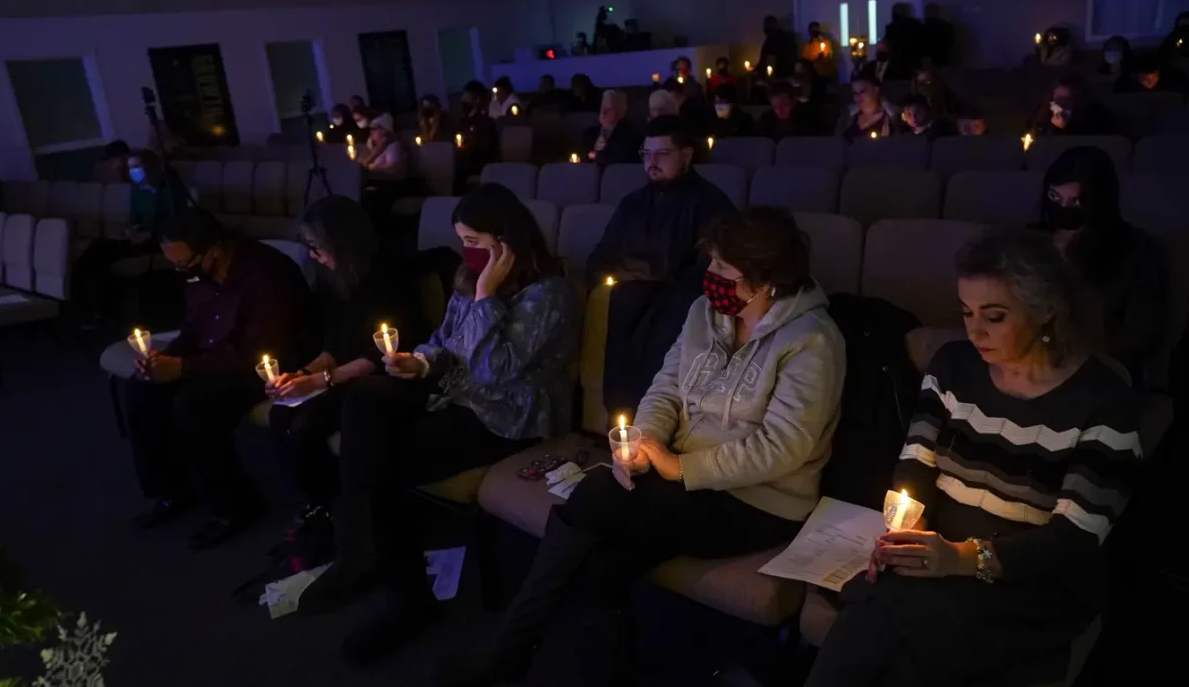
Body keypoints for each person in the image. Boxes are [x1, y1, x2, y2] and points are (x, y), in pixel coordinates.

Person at [445, 207, 847, 685]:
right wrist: (646, 440)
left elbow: (782, 448)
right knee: (601, 565)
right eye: (711, 262)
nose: (709, 276)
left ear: (766, 280)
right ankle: (590, 666)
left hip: (761, 501)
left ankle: (508, 649)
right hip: (682, 480)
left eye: (723, 268)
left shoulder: (813, 341)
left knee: (596, 496)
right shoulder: (705, 312)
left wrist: (678, 467)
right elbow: (666, 389)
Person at [805, 229, 1140, 687]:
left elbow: (1072, 543)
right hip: (942, 556)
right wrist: (905, 527)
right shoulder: (953, 367)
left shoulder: (1104, 404)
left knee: (883, 632)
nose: (974, 330)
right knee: (875, 623)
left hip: (1033, 584)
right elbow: (915, 464)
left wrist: (962, 559)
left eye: (995, 316)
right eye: (966, 312)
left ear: (1046, 310)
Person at [297, 184, 576, 663]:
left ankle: (392, 587)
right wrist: (419, 363)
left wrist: (487, 294)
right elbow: (443, 340)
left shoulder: (549, 292)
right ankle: (370, 562)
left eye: (475, 241)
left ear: (507, 241)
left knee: (382, 461)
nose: (467, 251)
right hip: (457, 399)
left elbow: (496, 370)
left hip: (510, 417)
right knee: (364, 401)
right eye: (462, 240)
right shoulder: (469, 279)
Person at [122, 208, 320, 549]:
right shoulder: (198, 274)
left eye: (185, 263)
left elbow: (259, 353)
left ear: (214, 248)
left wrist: (182, 368)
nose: (181, 271)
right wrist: (164, 359)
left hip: (268, 368)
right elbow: (194, 330)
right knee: (142, 387)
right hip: (216, 361)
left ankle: (233, 506)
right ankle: (173, 489)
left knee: (194, 404)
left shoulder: (266, 274)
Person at [264, 197, 420, 538]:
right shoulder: (334, 281)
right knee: (279, 412)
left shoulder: (386, 277)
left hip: (379, 380)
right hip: (341, 374)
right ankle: (308, 505)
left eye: (317, 246)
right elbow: (333, 345)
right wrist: (302, 375)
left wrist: (322, 380)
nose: (313, 255)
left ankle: (333, 512)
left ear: (342, 241)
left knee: (305, 425)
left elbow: (378, 354)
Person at [1038, 146, 1167, 382]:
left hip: (1099, 370)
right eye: (1055, 198)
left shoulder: (1137, 251)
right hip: (1030, 364)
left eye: (1075, 201)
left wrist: (1075, 365)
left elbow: (1140, 337)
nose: (1063, 210)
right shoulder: (1031, 242)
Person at [586, 115, 733, 286]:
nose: (652, 162)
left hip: (678, 304)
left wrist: (649, 280)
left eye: (662, 154)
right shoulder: (632, 202)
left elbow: (709, 273)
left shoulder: (711, 204)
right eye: (646, 154)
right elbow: (602, 256)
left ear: (686, 155)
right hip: (624, 299)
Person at [72, 148, 193, 323]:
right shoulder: (138, 191)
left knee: (101, 252)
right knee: (95, 250)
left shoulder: (169, 188)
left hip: (160, 239)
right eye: (130, 167)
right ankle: (92, 307)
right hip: (140, 237)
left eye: (137, 166)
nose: (133, 171)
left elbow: (174, 219)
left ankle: (98, 310)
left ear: (149, 166)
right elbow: (137, 219)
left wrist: (148, 233)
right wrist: (132, 230)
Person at [1032, 76, 1114, 136]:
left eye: (1067, 99)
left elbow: (1096, 141)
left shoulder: (1096, 114)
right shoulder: (1044, 112)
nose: (1062, 103)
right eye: (1058, 98)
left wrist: (1066, 128)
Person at [583, 90, 643, 166]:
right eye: (602, 108)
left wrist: (596, 156)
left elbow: (621, 160)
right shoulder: (589, 134)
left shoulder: (630, 137)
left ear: (621, 112)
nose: (603, 113)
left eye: (608, 109)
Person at [456, 80, 500, 179]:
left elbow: (488, 150)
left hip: (478, 166)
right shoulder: (462, 122)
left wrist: (468, 146)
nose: (463, 100)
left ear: (476, 99)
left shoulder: (487, 123)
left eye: (466, 97)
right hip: (463, 165)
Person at [836, 73, 900, 141]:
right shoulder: (847, 116)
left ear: (876, 90)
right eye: (855, 93)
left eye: (862, 91)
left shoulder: (893, 114)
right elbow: (838, 142)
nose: (858, 97)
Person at [759, 80, 826, 140]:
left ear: (793, 102)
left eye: (784, 106)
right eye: (775, 107)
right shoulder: (766, 120)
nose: (779, 110)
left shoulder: (807, 119)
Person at [1115, 52, 1188, 94]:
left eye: (1154, 77)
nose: (1149, 81)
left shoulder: (1172, 84)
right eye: (1145, 78)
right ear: (1136, 76)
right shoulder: (1125, 88)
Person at [884, 4, 926, 73]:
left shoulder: (891, 27)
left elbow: (888, 45)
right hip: (914, 62)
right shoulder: (917, 25)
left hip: (896, 63)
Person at [922, 3, 955, 68]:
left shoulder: (920, 26)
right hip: (942, 60)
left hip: (925, 61)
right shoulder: (946, 26)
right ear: (937, 13)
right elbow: (951, 42)